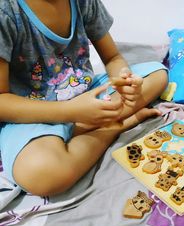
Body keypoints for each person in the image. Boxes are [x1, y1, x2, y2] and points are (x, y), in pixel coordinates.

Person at [0, 0, 168, 196]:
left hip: (86, 94)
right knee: (42, 174)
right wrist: (70, 111)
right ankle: (112, 127)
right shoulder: (6, 12)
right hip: (32, 114)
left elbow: (113, 58)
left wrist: (124, 81)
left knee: (158, 75)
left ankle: (83, 125)